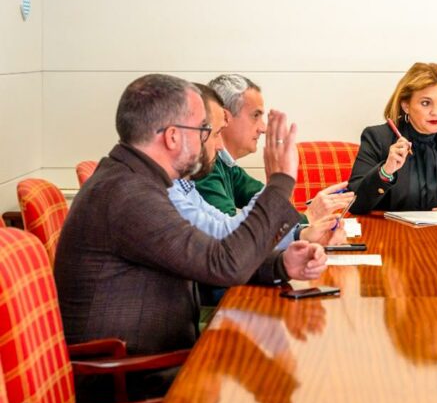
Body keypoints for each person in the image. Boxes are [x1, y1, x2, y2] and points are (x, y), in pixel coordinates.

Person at [55, 74, 327, 359]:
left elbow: (209, 254)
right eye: (203, 130)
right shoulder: (128, 195)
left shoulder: (136, 182)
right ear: (173, 136)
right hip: (134, 382)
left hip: (159, 363)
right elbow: (225, 265)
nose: (213, 143)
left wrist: (282, 264)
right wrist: (279, 183)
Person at [169, 83, 344, 249]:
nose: (263, 127)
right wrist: (279, 182)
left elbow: (231, 228)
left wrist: (301, 234)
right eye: (255, 115)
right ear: (227, 117)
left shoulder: (194, 181)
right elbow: (235, 241)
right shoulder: (200, 173)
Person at [197, 73, 354, 219]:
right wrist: (310, 216)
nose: (263, 128)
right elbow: (234, 237)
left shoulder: (227, 165)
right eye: (255, 116)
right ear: (224, 116)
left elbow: (275, 208)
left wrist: (307, 217)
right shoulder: (204, 169)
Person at [348, 62, 437, 215]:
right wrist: (386, 171)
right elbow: (355, 204)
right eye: (426, 103)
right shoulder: (378, 137)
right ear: (406, 105)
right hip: (392, 235)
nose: (436, 112)